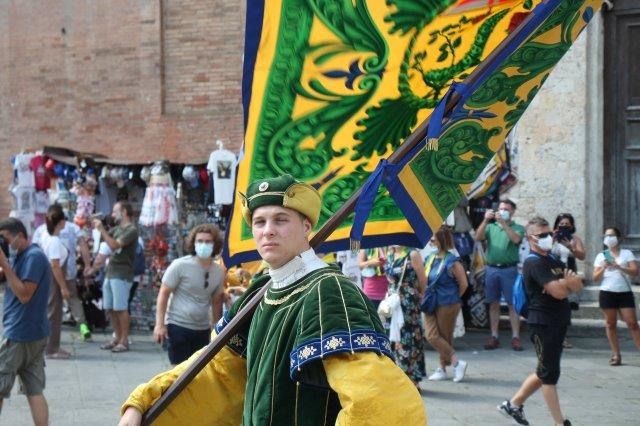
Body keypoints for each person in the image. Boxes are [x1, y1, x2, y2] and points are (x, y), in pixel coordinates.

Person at [119, 174, 426, 425]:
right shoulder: (261, 290)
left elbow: (377, 401)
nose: (268, 231)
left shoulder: (329, 291)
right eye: (259, 222)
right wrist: (144, 401)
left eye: (281, 220)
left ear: (306, 226)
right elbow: (218, 371)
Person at [498, 217, 583, 426]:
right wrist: (565, 284)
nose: (548, 238)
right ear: (531, 238)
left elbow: (577, 285)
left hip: (558, 321)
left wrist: (565, 284)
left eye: (550, 234)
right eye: (542, 235)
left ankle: (513, 405)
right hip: (543, 322)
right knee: (549, 375)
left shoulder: (552, 259)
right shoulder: (533, 262)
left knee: (545, 368)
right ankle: (559, 422)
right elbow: (560, 292)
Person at [0, 218, 51, 425]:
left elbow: (24, 295)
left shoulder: (34, 257)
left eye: (5, 239)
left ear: (20, 236)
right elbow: (11, 279)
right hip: (32, 332)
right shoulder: (21, 255)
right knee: (34, 390)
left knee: (2, 386)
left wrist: (5, 264)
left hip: (20, 333)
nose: (4, 244)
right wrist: (5, 266)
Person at [153, 224, 226, 365]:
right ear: (193, 243)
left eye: (208, 241)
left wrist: (216, 329)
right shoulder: (180, 265)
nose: (203, 244)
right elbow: (164, 293)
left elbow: (216, 301)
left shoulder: (218, 272)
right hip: (178, 325)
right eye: (200, 241)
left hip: (202, 329)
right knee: (179, 371)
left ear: (215, 244)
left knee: (198, 370)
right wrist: (159, 324)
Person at [33, 204, 93, 342]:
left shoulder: (41, 230)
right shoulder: (73, 228)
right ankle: (83, 326)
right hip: (68, 270)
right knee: (73, 299)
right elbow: (83, 245)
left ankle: (45, 333)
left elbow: (35, 250)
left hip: (47, 273)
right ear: (62, 219)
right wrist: (87, 265)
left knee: (49, 303)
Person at [475, 198, 526, 351]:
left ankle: (515, 337)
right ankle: (494, 336)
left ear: (512, 211)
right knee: (493, 303)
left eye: (507, 209)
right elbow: (477, 237)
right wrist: (485, 220)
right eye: (501, 208)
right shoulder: (491, 227)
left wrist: (503, 224)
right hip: (491, 268)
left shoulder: (518, 228)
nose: (503, 211)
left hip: (509, 269)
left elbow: (516, 239)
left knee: (512, 304)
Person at [423, 226, 469, 383]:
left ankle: (442, 368)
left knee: (445, 336)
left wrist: (453, 298)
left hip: (447, 303)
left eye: (433, 239)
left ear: (441, 241)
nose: (430, 241)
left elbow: (463, 284)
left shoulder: (452, 261)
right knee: (432, 335)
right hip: (430, 302)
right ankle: (456, 362)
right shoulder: (429, 258)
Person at [92, 201, 139, 353]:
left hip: (122, 273)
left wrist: (102, 229)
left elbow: (114, 245)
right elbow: (105, 243)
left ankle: (124, 340)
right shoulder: (117, 229)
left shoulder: (131, 230)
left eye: (115, 211)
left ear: (123, 212)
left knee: (121, 308)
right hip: (111, 272)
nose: (112, 215)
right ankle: (117, 337)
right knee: (110, 308)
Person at [592, 227, 640, 366]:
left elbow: (635, 271)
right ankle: (616, 354)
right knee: (610, 323)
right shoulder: (601, 255)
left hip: (624, 292)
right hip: (607, 292)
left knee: (632, 323)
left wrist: (619, 266)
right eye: (606, 236)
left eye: (611, 235)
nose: (608, 238)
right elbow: (595, 278)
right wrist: (603, 267)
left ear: (618, 238)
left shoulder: (627, 253)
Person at [386, 246, 426, 388]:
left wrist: (417, 295)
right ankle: (397, 377)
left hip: (408, 303)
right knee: (393, 338)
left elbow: (422, 280)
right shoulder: (390, 253)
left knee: (410, 338)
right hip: (393, 302)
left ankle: (413, 379)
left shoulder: (413, 254)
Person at [39, 204, 74, 359]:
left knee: (54, 313)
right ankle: (51, 349)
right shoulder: (53, 240)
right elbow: (55, 265)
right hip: (53, 280)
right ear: (60, 222)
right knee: (53, 313)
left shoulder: (46, 236)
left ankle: (54, 346)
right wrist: (63, 287)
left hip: (50, 278)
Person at [551, 213, 586, 348]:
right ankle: (552, 334)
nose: (564, 226)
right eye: (562, 224)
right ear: (557, 225)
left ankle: (562, 337)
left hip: (569, 274)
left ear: (571, 226)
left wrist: (571, 247)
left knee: (565, 308)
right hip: (553, 275)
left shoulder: (575, 239)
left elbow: (582, 256)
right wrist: (553, 239)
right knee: (552, 306)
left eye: (567, 224)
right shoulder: (551, 237)